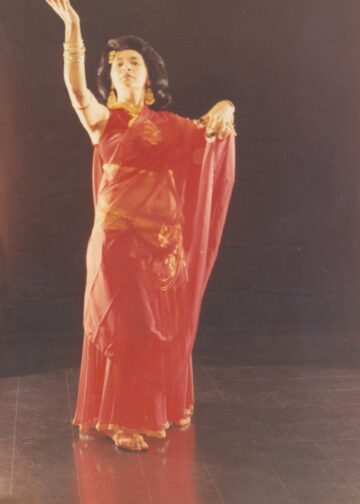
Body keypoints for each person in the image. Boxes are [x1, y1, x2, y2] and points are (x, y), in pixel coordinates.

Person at [45, 0, 236, 452]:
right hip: (116, 242)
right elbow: (76, 91)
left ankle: (153, 411)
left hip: (162, 247)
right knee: (130, 327)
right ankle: (120, 420)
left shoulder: (171, 126)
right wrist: (73, 28)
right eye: (119, 64)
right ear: (110, 79)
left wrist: (226, 106)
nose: (126, 68)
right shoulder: (103, 121)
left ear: (150, 78)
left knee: (156, 331)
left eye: (135, 63)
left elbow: (210, 136)